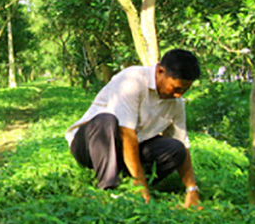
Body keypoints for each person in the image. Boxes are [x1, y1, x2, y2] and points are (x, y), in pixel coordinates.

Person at [65, 49, 201, 208]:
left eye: (184, 91)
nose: (178, 95)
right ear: (160, 71)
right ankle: (108, 189)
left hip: (125, 150)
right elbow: (126, 134)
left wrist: (192, 189)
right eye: (176, 88)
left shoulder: (175, 103)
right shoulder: (132, 80)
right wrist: (141, 184)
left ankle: (126, 181)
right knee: (106, 120)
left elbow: (182, 143)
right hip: (91, 145)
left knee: (176, 149)